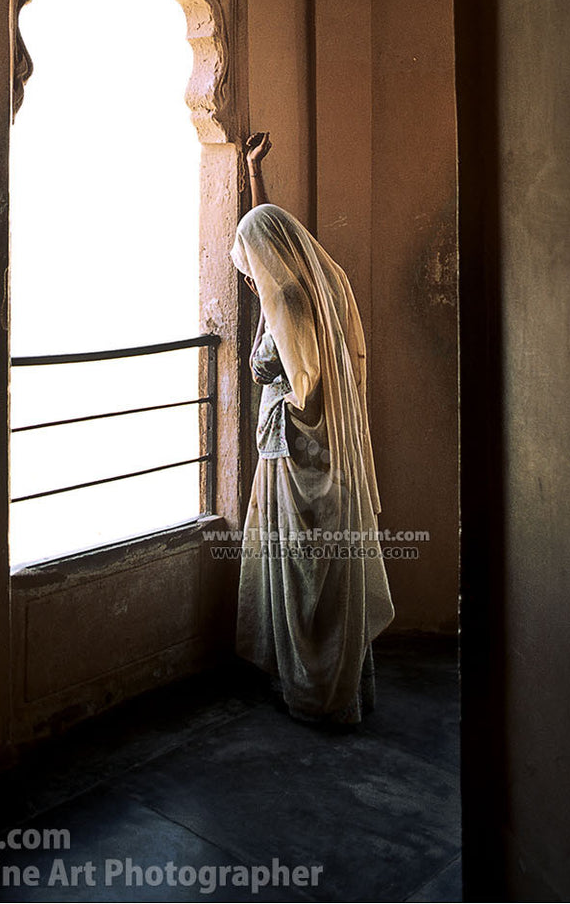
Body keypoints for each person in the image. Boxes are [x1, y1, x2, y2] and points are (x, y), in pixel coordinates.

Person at [231, 132, 394, 723]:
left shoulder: (292, 306)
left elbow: (310, 387)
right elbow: (265, 230)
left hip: (299, 456)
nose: (248, 276)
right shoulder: (303, 290)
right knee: (304, 571)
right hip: (296, 451)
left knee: (307, 573)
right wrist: (254, 176)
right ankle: (320, 680)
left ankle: (315, 689)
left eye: (249, 266)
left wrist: (288, 418)